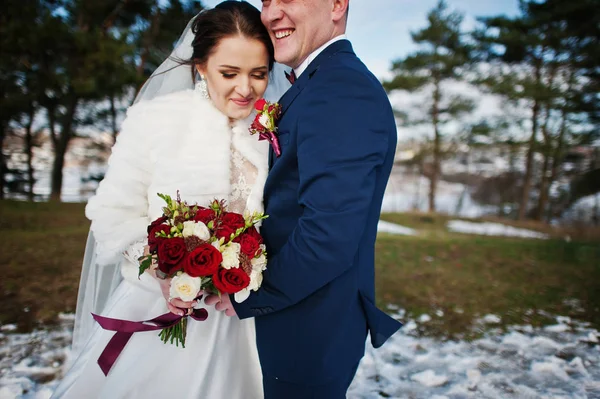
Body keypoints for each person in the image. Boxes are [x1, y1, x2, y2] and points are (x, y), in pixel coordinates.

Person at [51, 2, 289, 398]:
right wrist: (162, 272)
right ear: (200, 66)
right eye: (228, 73)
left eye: (259, 74)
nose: (245, 89)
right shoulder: (155, 121)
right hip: (157, 309)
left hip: (246, 319)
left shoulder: (275, 128)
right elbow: (112, 212)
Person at [205, 0, 403, 398]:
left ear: (336, 5)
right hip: (303, 322)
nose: (270, 13)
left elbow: (327, 234)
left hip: (310, 329)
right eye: (266, 1)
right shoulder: (317, 82)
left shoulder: (340, 90)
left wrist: (246, 293)